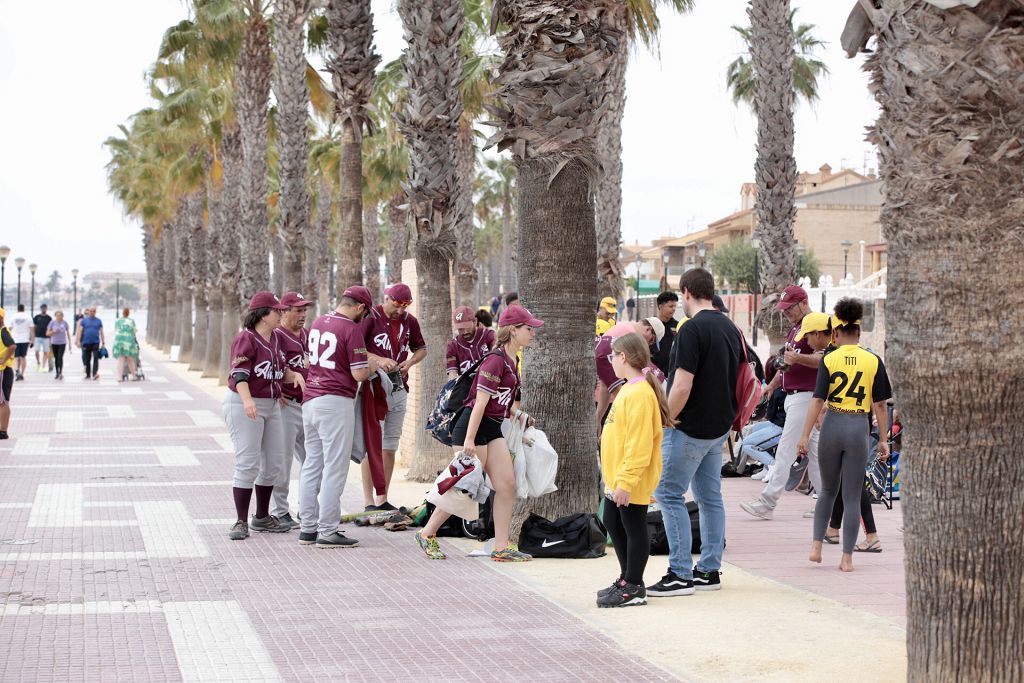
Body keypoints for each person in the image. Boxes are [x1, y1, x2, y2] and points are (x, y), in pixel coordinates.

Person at [416, 305, 544, 563]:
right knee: (464, 486)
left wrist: (519, 416)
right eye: (528, 328)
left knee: (506, 485)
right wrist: (470, 441)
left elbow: (501, 403)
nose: (532, 333)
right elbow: (479, 403)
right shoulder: (496, 360)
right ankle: (427, 532)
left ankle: (500, 546)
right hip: (471, 427)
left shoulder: (512, 359)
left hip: (491, 427)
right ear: (513, 330)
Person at [647, 268, 743, 597]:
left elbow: (682, 385)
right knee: (709, 497)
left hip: (690, 428)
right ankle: (709, 569)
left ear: (686, 292)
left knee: (669, 494)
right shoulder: (731, 328)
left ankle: (679, 572)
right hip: (719, 428)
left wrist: (664, 421)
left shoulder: (691, 330)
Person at [800, 299, 891, 572]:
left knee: (827, 491)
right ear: (859, 333)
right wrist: (884, 438)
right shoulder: (873, 360)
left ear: (836, 334)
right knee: (852, 497)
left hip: (833, 424)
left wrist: (804, 436)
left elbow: (817, 401)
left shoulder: (830, 358)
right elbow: (880, 405)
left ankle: (816, 546)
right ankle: (847, 558)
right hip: (858, 427)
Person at [596, 332, 674, 608]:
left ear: (623, 357)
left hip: (630, 477)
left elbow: (639, 443)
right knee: (614, 523)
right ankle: (627, 579)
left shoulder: (640, 393)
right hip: (617, 475)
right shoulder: (629, 388)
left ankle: (634, 585)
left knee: (633, 526)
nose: (610, 361)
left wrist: (626, 482)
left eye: (612, 356)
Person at [299, 285, 376, 548]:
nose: (363, 319)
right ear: (360, 307)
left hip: (310, 399)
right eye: (365, 313)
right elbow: (359, 374)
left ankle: (307, 527)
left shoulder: (319, 322)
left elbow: (310, 362)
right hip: (335, 400)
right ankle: (328, 530)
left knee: (312, 464)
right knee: (335, 466)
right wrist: (371, 366)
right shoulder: (351, 329)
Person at [224, 292, 304, 541]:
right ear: (262, 314)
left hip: (271, 404)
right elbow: (239, 374)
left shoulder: (275, 339)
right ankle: (240, 520)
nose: (281, 313)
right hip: (244, 402)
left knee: (274, 463)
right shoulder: (245, 338)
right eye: (276, 310)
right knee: (248, 462)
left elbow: (280, 369)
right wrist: (248, 401)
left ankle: (261, 517)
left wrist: (293, 376)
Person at [740, 285, 823, 521]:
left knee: (786, 449)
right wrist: (770, 386)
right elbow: (787, 365)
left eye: (789, 308)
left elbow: (824, 359)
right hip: (795, 396)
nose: (786, 313)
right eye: (784, 309)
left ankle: (767, 502)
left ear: (803, 303)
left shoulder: (816, 326)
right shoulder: (796, 329)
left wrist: (796, 358)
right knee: (816, 454)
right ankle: (828, 504)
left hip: (806, 397)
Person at [359, 282, 427, 510]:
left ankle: (383, 498)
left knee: (390, 446)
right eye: (397, 305)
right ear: (386, 298)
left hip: (399, 388)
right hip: (375, 388)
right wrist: (379, 360)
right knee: (372, 445)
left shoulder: (409, 321)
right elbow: (356, 348)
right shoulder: (371, 317)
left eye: (406, 306)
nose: (401, 310)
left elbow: (422, 349)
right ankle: (368, 500)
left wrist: (410, 362)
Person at [270, 292, 314, 530]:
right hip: (286, 407)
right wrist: (276, 388)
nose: (303, 314)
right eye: (297, 310)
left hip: (308, 406)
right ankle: (279, 511)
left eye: (304, 309)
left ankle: (307, 508)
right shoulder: (276, 336)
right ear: (283, 311)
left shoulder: (308, 335)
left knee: (314, 459)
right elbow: (268, 367)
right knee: (283, 460)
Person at [595, 321, 662, 436]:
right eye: (651, 341)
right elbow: (621, 397)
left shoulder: (623, 329)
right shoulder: (632, 337)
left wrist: (598, 419)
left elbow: (607, 387)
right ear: (648, 330)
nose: (648, 345)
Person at [447, 306, 496, 379]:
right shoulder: (453, 345)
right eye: (461, 329)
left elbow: (498, 356)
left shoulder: (488, 335)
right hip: (467, 388)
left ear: (475, 321)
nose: (465, 332)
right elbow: (452, 374)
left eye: (467, 327)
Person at [650, 292, 680, 375]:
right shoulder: (650, 325)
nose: (674, 309)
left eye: (675, 306)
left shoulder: (678, 326)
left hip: (671, 374)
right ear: (660, 306)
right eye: (670, 306)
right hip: (653, 373)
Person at [75, 307, 106, 380]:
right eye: (91, 311)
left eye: (94, 311)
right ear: (88, 312)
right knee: (87, 358)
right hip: (86, 342)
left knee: (95, 357)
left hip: (96, 342)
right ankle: (88, 374)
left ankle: (95, 373)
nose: (92, 312)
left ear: (95, 312)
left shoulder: (99, 321)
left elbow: (101, 332)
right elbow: (80, 331)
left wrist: (103, 341)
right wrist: (78, 341)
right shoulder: (84, 321)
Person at [113, 308, 140, 382]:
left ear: (122, 313)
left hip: (119, 341)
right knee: (130, 360)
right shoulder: (131, 321)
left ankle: (119, 377)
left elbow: (116, 331)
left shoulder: (118, 320)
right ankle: (134, 376)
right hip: (129, 341)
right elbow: (134, 332)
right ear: (128, 313)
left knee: (120, 360)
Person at [0, 308, 15, 439]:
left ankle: (3, 431)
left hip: (4, 371)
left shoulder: (3, 332)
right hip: (3, 370)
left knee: (3, 402)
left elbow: (12, 346)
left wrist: (3, 360)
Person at [46, 311, 71, 381]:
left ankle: (60, 372)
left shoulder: (65, 323)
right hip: (54, 342)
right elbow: (47, 333)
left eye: (60, 315)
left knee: (60, 357)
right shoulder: (52, 323)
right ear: (55, 316)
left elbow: (68, 333)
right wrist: (53, 332)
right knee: (56, 358)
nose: (59, 317)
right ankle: (57, 372)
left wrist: (70, 344)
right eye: (57, 315)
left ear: (62, 316)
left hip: (62, 343)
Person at [9, 304, 32, 382]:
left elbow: (9, 328)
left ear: (17, 309)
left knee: (16, 357)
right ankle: (22, 373)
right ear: (24, 309)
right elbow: (32, 329)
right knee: (23, 357)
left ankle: (17, 371)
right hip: (25, 339)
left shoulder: (13, 316)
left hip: (15, 339)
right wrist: (32, 340)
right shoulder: (28, 317)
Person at [32, 304, 53, 373]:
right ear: (40, 309)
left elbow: (51, 328)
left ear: (46, 309)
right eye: (42, 308)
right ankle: (38, 363)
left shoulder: (49, 318)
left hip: (46, 337)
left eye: (45, 308)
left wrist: (51, 337)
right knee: (36, 351)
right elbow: (33, 327)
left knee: (46, 352)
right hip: (37, 337)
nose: (43, 309)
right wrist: (32, 337)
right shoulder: (36, 317)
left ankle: (43, 366)